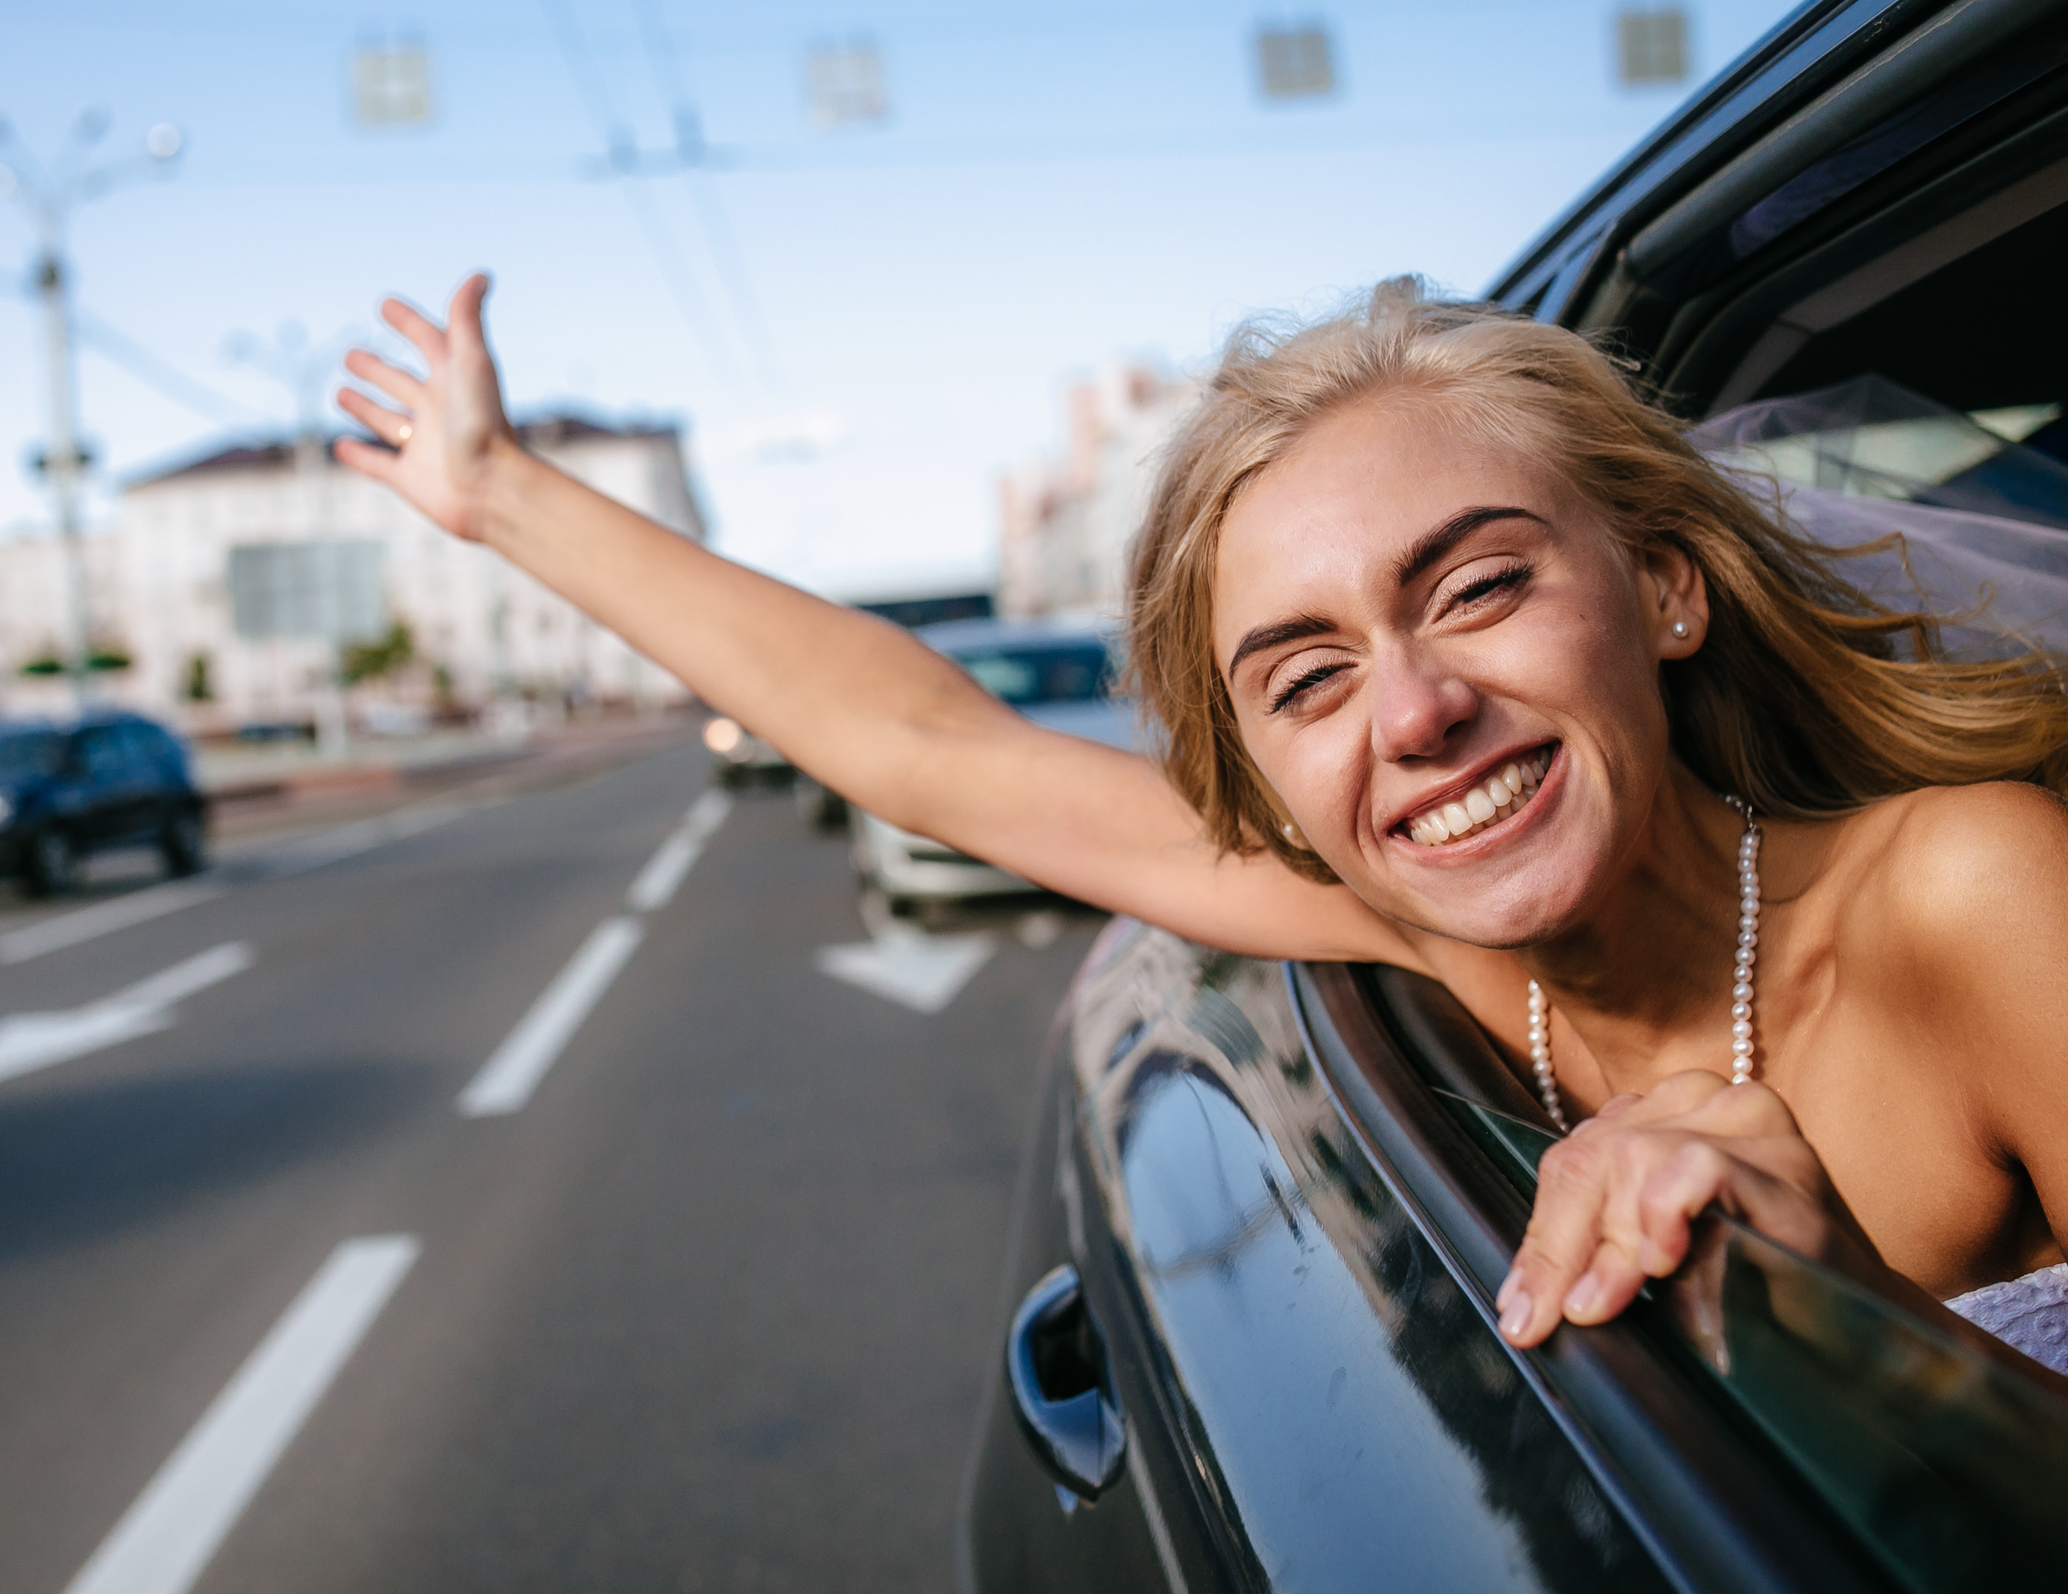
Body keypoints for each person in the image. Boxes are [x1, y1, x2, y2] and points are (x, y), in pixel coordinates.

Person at [336, 272, 2068, 1367]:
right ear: (1274, 779)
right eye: (1305, 679)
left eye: (1473, 588)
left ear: (1667, 590)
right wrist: (497, 495)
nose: (1411, 713)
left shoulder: (1974, 894)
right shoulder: (1417, 929)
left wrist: (1864, 1335)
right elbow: (933, 746)